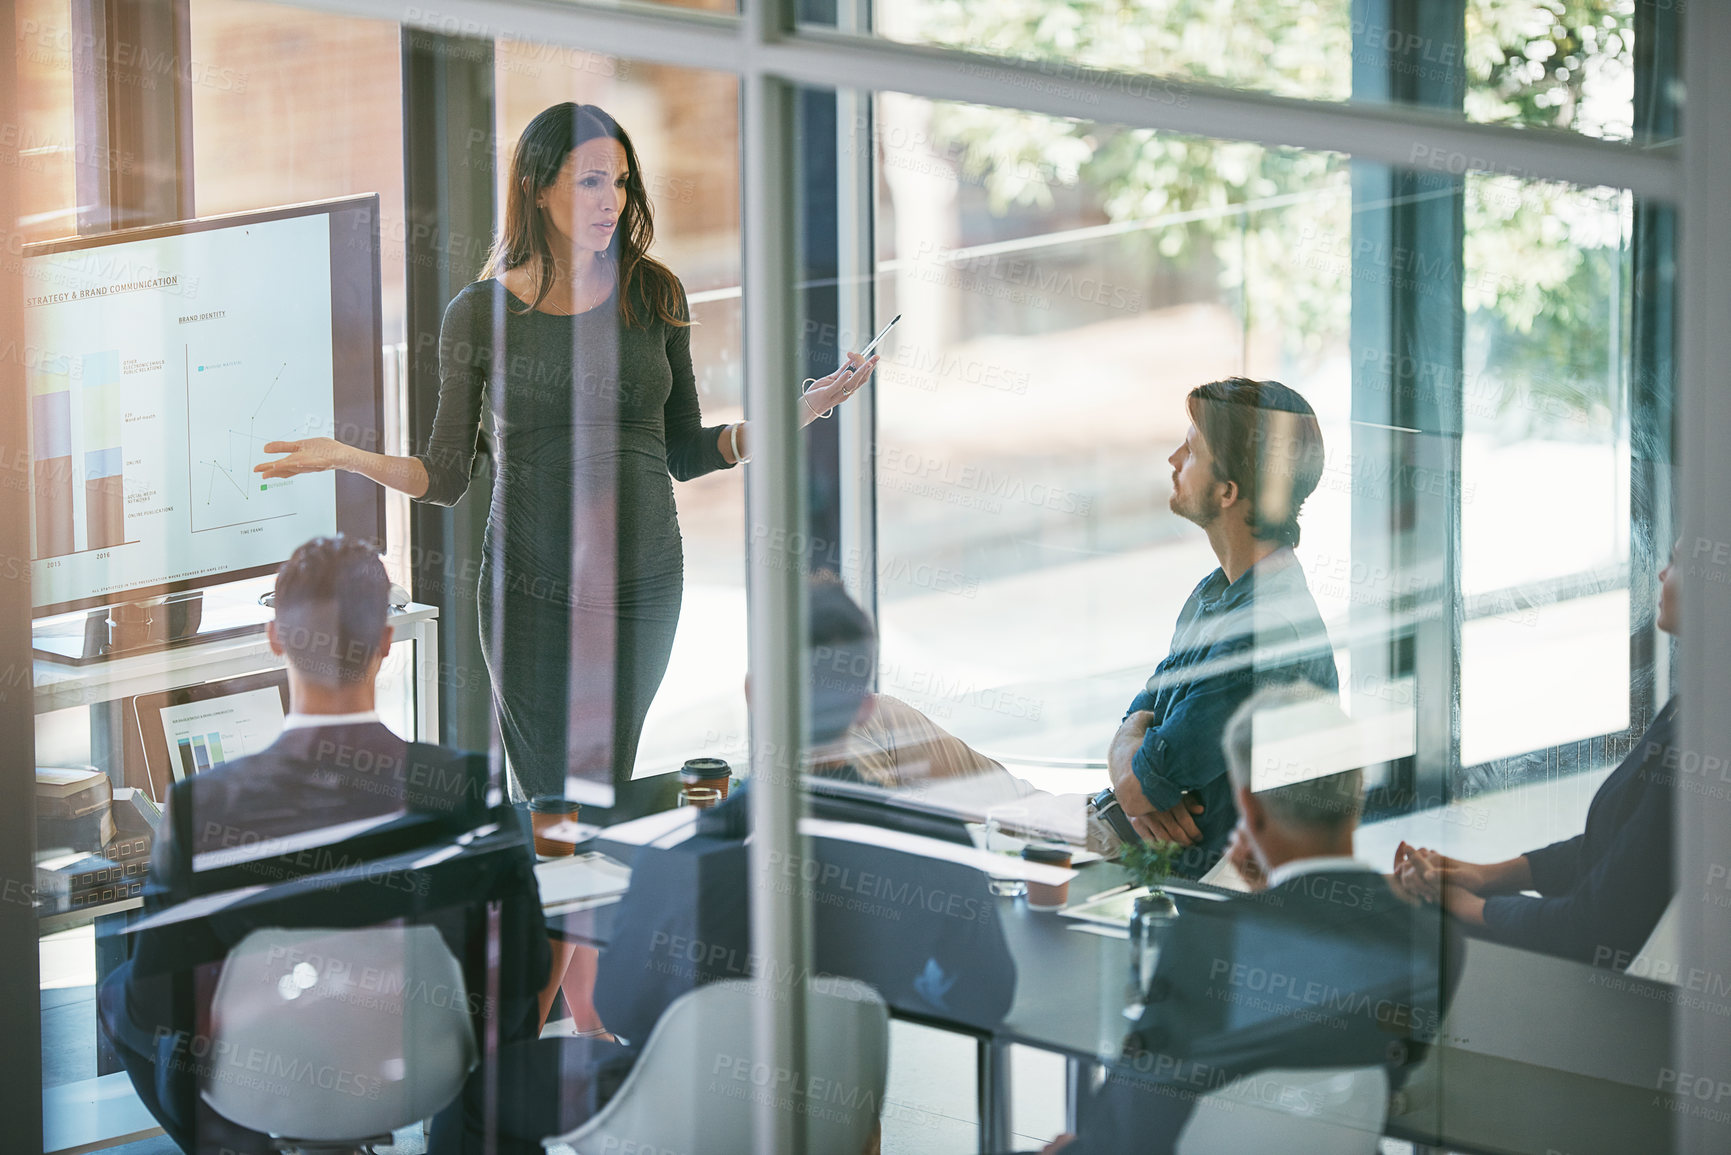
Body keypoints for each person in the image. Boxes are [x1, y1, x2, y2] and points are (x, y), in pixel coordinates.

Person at [255, 102, 879, 807]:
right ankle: (549, 912)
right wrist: (346, 454)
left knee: (605, 783)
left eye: (618, 182)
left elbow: (686, 449)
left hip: (644, 586)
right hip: (532, 593)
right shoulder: (480, 312)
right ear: (536, 186)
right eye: (588, 181)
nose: (610, 200)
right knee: (554, 797)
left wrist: (804, 407)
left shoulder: (654, 292)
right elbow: (445, 476)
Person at [96, 536, 560, 1155]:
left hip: (261, 1085)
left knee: (122, 995)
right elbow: (526, 969)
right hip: (424, 1074)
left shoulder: (200, 807)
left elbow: (157, 1004)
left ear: (276, 639)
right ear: (387, 644)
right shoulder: (471, 786)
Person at [592, 577, 1019, 1051]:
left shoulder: (681, 856)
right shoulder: (933, 840)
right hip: (842, 1113)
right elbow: (983, 998)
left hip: (686, 1115)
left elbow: (620, 1008)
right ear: (865, 708)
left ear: (754, 692)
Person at [1044, 683, 1455, 1154]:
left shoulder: (1207, 941)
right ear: (1358, 793)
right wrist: (1270, 897)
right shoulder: (1434, 936)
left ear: (1251, 810)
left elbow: (1136, 1122)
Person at [1391, 540, 1686, 967]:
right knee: (1394, 894)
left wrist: (1467, 905)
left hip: (1605, 997)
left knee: (1401, 916)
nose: (1662, 573)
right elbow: (1620, 845)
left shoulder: (1700, 744)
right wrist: (1484, 874)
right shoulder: (1692, 706)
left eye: (1676, 562)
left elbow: (1592, 925)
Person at [1104, 377, 1339, 878]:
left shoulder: (1260, 632)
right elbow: (1147, 715)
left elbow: (1137, 785)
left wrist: (1137, 783)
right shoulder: (1216, 592)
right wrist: (1137, 777)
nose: (1172, 460)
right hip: (1128, 834)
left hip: (1162, 869)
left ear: (1229, 491)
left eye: (1189, 451)